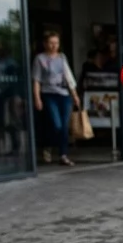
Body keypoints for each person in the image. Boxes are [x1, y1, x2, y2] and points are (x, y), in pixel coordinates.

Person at [32, 32, 81, 166]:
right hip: (49, 94)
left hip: (64, 94)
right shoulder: (40, 59)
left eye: (56, 43)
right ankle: (47, 146)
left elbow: (68, 77)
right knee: (56, 124)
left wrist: (75, 95)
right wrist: (37, 98)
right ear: (45, 44)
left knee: (64, 126)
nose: (54, 46)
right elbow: (36, 80)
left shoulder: (62, 57)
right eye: (51, 43)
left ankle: (63, 155)